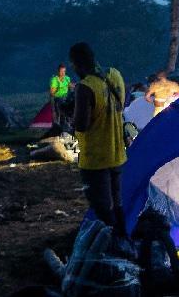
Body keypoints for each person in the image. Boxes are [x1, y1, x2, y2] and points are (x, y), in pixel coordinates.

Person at [70, 42, 126, 233]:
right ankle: (123, 240)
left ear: (76, 64)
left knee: (102, 208)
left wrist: (70, 115)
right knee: (117, 204)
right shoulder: (115, 76)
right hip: (117, 154)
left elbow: (81, 125)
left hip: (95, 160)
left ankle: (111, 246)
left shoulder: (85, 87)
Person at [49, 63, 74, 130]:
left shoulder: (67, 78)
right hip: (58, 98)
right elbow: (52, 92)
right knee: (61, 108)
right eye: (61, 71)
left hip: (66, 97)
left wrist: (76, 86)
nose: (63, 73)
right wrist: (55, 90)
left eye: (64, 71)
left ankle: (69, 124)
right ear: (58, 71)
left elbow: (70, 85)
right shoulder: (55, 80)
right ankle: (61, 127)